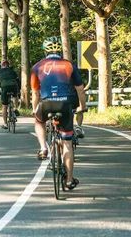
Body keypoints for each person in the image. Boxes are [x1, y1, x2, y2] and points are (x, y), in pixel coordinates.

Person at [31, 36, 87, 191]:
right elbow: (80, 89)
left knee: (38, 121)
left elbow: (35, 93)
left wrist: (35, 109)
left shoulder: (37, 67)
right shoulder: (69, 65)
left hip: (46, 103)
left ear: (45, 50)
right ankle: (69, 180)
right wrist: (83, 106)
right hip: (65, 105)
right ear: (59, 50)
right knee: (67, 142)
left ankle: (43, 148)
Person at [0, 60, 21, 129]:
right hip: (13, 85)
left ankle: (5, 124)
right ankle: (15, 108)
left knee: (4, 106)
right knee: (15, 96)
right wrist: (18, 90)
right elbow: (18, 81)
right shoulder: (12, 71)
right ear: (8, 65)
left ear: (2, 65)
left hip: (4, 86)